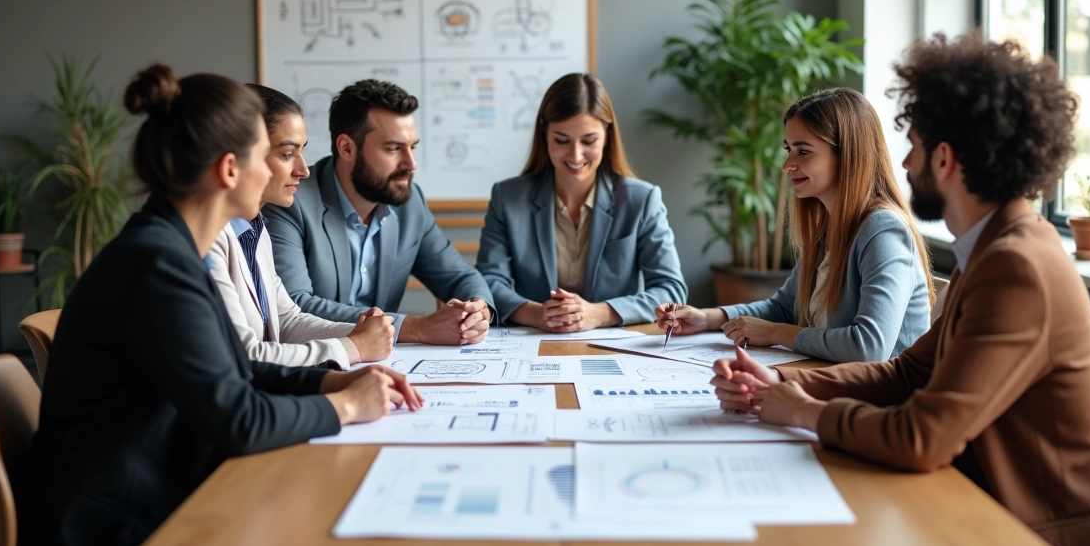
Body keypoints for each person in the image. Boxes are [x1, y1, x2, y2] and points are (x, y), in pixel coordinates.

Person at [709, 33, 1090, 546]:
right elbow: (906, 372)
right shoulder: (999, 246)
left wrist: (804, 412)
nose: (903, 164)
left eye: (915, 146)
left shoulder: (1017, 267)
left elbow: (922, 438)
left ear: (945, 159)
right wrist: (782, 380)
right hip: (985, 502)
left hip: (1032, 535)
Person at [19, 65, 423, 546]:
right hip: (116, 526)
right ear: (230, 169)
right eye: (273, 155)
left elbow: (235, 371)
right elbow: (240, 421)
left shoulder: (170, 249)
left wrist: (329, 383)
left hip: (152, 491)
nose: (298, 171)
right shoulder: (156, 265)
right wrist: (349, 407)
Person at [656, 87, 933, 362]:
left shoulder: (883, 230)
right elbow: (783, 307)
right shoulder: (831, 226)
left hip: (882, 398)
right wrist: (707, 318)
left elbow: (869, 347)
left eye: (803, 151)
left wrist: (777, 334)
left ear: (847, 155)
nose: (787, 164)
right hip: (830, 382)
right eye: (789, 149)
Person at [266, 79, 495, 346]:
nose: (411, 164)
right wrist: (416, 328)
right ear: (347, 148)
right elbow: (296, 305)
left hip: (381, 364)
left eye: (413, 147)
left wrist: (478, 309)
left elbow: (458, 276)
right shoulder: (290, 201)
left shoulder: (409, 202)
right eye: (394, 149)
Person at [476, 73, 687, 331]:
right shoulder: (507, 198)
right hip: (532, 340)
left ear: (607, 136)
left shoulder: (642, 200)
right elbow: (487, 281)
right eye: (561, 140)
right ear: (545, 135)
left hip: (612, 343)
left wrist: (600, 313)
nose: (575, 155)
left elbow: (672, 290)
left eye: (589, 141)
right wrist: (536, 314)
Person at [207, 84, 393, 369]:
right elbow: (245, 356)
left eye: (301, 152)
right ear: (239, 158)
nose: (303, 170)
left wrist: (360, 332)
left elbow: (288, 321)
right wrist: (354, 346)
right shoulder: (207, 239)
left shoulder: (254, 228)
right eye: (286, 154)